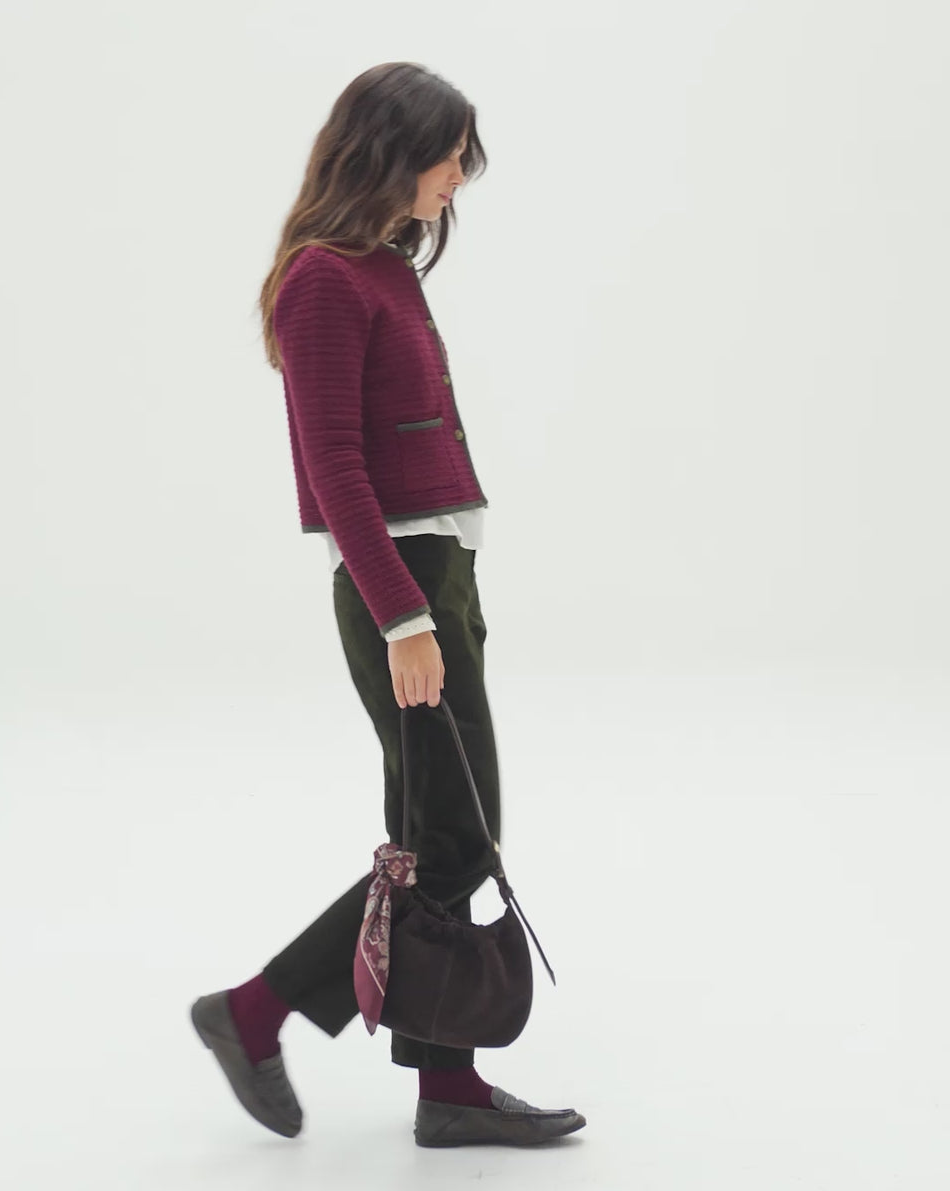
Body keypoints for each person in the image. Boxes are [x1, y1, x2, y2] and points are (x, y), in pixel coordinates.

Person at [189, 60, 586, 1148]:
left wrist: (432, 599)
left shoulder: (385, 268)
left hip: (437, 578)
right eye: (449, 157)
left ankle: (442, 1085)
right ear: (391, 152)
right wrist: (404, 617)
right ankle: (256, 1012)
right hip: (400, 588)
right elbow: (335, 466)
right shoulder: (324, 280)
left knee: (441, 831)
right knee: (456, 835)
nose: (459, 178)